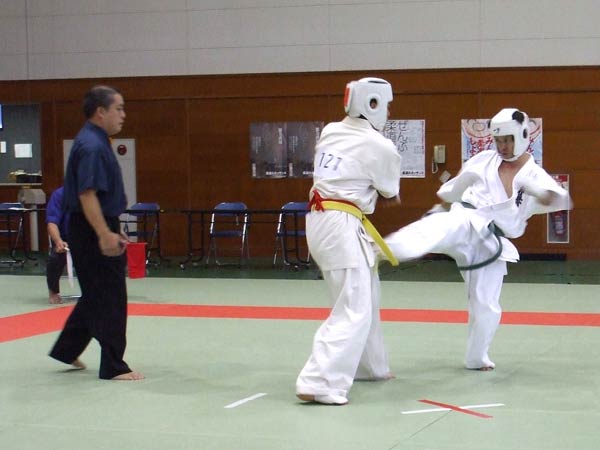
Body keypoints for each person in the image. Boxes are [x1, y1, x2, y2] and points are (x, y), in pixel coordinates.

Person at [385, 108, 572, 370]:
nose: (502, 146)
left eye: (507, 140)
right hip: (467, 218)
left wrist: (540, 193)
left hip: (492, 242)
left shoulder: (534, 174)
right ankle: (384, 249)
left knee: (486, 305)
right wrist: (443, 204)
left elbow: (558, 198)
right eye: (498, 140)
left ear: (522, 135)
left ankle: (477, 357)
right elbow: (454, 189)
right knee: (437, 227)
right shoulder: (484, 159)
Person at [296, 77, 402, 405]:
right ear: (373, 104)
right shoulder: (380, 145)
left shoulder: (330, 131)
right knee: (354, 306)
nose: (388, 112)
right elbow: (390, 193)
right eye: (385, 105)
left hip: (322, 220)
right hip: (340, 223)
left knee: (365, 293)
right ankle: (319, 381)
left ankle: (371, 366)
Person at [48, 85, 144, 381]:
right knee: (111, 295)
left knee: (94, 294)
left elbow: (99, 197)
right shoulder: (91, 146)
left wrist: (114, 228)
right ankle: (113, 365)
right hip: (91, 228)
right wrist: (104, 233)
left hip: (94, 225)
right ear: (100, 112)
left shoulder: (96, 141)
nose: (123, 115)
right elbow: (87, 194)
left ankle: (66, 349)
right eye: (119, 108)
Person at [46, 186, 69, 304]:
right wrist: (58, 241)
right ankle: (53, 291)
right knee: (55, 258)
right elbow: (52, 222)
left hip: (88, 238)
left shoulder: (95, 193)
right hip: (65, 238)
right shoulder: (59, 195)